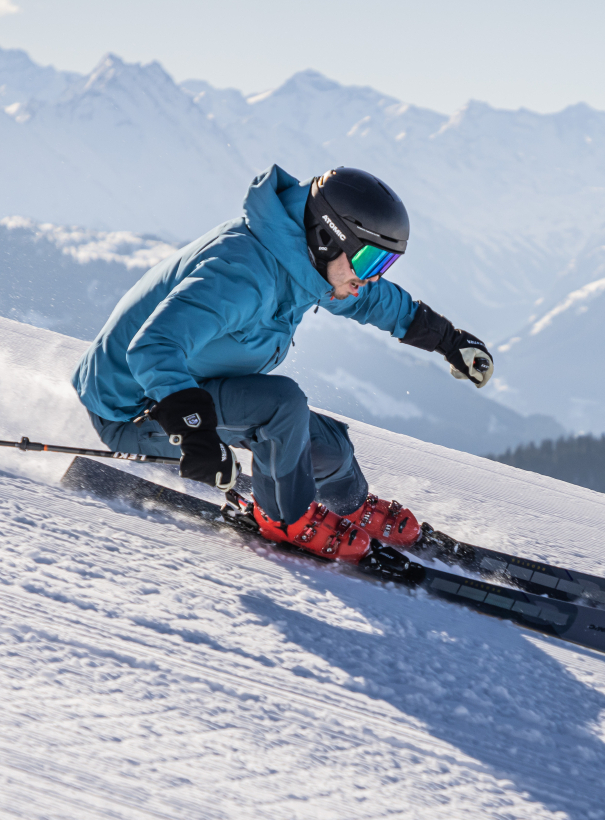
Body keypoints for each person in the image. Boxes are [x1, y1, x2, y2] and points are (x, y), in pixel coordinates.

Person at [71, 165, 494, 562]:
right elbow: (152, 348)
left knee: (329, 449)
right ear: (328, 236)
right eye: (369, 261)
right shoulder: (244, 275)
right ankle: (285, 519)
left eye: (385, 264)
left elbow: (375, 301)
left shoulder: (304, 260)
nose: (370, 277)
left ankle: (347, 505)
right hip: (138, 408)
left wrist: (449, 341)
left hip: (196, 386)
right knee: (282, 404)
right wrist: (195, 433)